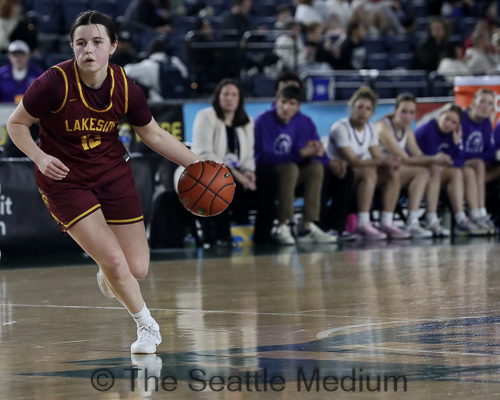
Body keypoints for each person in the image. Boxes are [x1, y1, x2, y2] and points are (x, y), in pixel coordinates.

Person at [6, 11, 200, 354]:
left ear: (112, 46)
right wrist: (39, 156)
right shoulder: (54, 82)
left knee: (137, 268)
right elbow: (16, 124)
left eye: (97, 42)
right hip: (64, 179)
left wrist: (197, 165)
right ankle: (147, 326)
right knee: (114, 261)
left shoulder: (125, 86)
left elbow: (153, 134)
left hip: (112, 173)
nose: (88, 49)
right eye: (81, 42)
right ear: (72, 47)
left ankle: (110, 272)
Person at [188, 78, 276, 246]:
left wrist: (249, 172)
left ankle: (263, 237)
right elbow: (203, 153)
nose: (230, 98)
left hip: (239, 177)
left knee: (268, 175)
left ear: (240, 98)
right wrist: (234, 174)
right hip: (212, 175)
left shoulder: (247, 121)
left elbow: (249, 155)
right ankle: (222, 237)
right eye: (226, 94)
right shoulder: (205, 117)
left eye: (234, 95)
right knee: (219, 175)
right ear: (218, 97)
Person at [254, 84, 336, 245]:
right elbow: (263, 158)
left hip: (294, 175)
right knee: (290, 168)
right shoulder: (263, 120)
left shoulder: (305, 122)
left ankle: (307, 226)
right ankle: (283, 225)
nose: (286, 107)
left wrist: (317, 152)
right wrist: (300, 154)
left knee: (315, 168)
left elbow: (319, 155)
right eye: (283, 102)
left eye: (292, 104)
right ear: (276, 101)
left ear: (298, 107)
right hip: (268, 174)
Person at [327, 86, 410, 240]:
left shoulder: (370, 129)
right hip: (337, 175)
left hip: (357, 173)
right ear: (352, 108)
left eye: (368, 109)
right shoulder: (340, 128)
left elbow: (377, 157)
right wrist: (383, 160)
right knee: (369, 173)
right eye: (360, 107)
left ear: (372, 112)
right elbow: (352, 161)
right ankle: (363, 223)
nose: (363, 112)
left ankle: (386, 222)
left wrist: (389, 163)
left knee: (391, 173)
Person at [375, 93, 454, 238]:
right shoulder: (383, 127)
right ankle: (410, 221)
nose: (408, 116)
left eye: (411, 112)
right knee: (423, 171)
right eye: (404, 111)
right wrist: (434, 158)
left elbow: (418, 155)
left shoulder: (407, 130)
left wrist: (437, 160)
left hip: (395, 170)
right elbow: (404, 158)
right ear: (395, 110)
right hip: (378, 171)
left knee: (433, 169)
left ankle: (430, 219)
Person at [415, 103, 487, 235]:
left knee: (468, 171)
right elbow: (433, 158)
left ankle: (475, 215)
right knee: (455, 172)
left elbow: (460, 160)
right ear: (439, 116)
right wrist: (448, 160)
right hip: (420, 169)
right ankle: (454, 219)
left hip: (438, 169)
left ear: (458, 125)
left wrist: (456, 143)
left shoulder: (452, 134)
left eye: (454, 122)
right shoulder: (429, 129)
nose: (448, 124)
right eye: (447, 118)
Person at [460, 88, 497, 233]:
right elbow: (458, 152)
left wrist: (493, 155)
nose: (485, 106)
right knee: (478, 164)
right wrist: (481, 157)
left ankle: (485, 213)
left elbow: (490, 151)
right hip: (457, 164)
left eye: (490, 103)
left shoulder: (486, 122)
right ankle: (479, 213)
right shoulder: (461, 119)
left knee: (484, 166)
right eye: (482, 102)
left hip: (476, 168)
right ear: (473, 102)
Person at [124, 37, 188, 101]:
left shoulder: (147, 64)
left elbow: (126, 71)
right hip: (179, 101)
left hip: (158, 103)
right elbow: (185, 74)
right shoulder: (175, 61)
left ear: (150, 49)